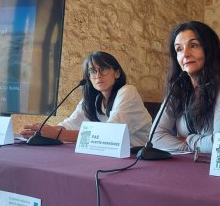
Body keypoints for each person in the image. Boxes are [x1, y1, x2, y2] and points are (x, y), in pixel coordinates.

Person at [21, 51, 152, 147]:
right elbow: (70, 123)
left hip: (137, 158)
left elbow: (111, 133)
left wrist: (57, 134)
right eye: (92, 71)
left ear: (117, 73)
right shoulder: (92, 99)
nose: (98, 75)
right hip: (107, 155)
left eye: (104, 69)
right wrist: (43, 132)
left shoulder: (128, 91)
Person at [152, 21, 220, 153]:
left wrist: (187, 139)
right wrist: (193, 148)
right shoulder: (178, 85)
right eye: (179, 49)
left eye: (194, 45)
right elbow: (155, 138)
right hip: (188, 164)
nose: (185, 54)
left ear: (209, 49)